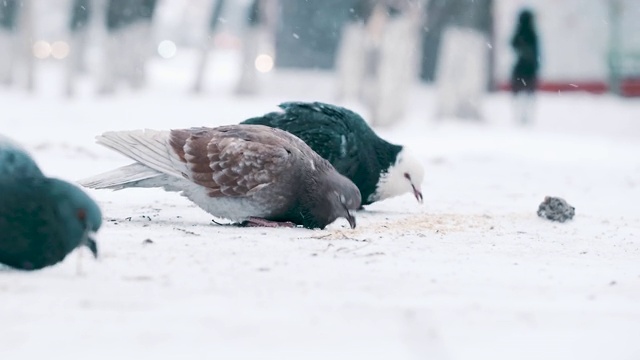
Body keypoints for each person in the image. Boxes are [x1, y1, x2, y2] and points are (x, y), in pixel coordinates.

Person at [510, 9, 540, 124]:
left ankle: (520, 116)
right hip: (528, 69)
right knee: (528, 96)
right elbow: (537, 52)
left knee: (519, 96)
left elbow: (512, 44)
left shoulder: (520, 33)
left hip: (521, 68)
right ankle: (524, 116)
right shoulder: (532, 34)